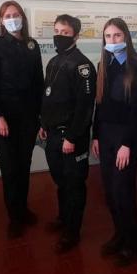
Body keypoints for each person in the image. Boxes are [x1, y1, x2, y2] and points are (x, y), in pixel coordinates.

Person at [91, 18, 137, 266]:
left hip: (126, 137)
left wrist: (127, 143)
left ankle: (133, 243)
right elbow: (100, 105)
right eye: (108, 36)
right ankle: (119, 235)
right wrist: (96, 136)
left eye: (117, 35)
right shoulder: (104, 65)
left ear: (126, 37)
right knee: (109, 192)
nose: (112, 40)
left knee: (123, 191)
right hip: (106, 134)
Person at [0, 1, 44, 238]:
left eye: (16, 14)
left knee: (24, 165)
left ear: (23, 17)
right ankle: (14, 217)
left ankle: (23, 209)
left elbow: (38, 83)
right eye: (7, 16)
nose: (12, 19)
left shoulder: (32, 45)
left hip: (28, 117)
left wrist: (41, 117)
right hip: (4, 118)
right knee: (9, 169)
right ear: (1, 20)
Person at [39, 14, 96, 253]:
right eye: (57, 31)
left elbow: (85, 108)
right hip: (52, 134)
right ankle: (63, 218)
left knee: (74, 184)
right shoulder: (54, 62)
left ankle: (72, 232)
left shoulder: (83, 66)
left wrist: (72, 137)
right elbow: (48, 97)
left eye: (65, 32)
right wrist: (43, 123)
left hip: (72, 137)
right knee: (61, 181)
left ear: (76, 36)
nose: (59, 36)